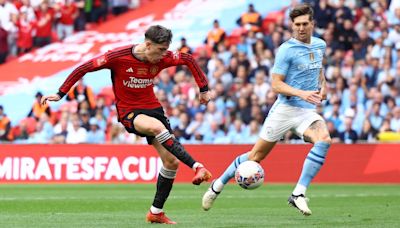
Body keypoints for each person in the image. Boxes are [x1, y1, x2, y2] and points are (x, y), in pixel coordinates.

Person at [41, 25, 213, 224]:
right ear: (148, 45)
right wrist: (60, 93)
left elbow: (188, 59)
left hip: (154, 109)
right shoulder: (117, 57)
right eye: (160, 50)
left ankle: (155, 212)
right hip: (130, 112)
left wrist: (204, 89)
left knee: (170, 162)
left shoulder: (163, 57)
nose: (163, 55)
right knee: (158, 128)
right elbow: (83, 68)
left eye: (166, 50)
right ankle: (197, 166)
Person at [202, 4, 331, 216]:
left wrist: (323, 87)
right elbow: (276, 85)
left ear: (312, 24)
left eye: (305, 24)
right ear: (291, 25)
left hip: (306, 111)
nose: (301, 28)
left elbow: (319, 69)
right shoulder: (286, 50)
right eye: (297, 24)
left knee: (324, 140)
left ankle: (298, 193)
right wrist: (302, 93)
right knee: (256, 156)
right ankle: (218, 185)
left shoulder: (319, 45)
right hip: (285, 109)